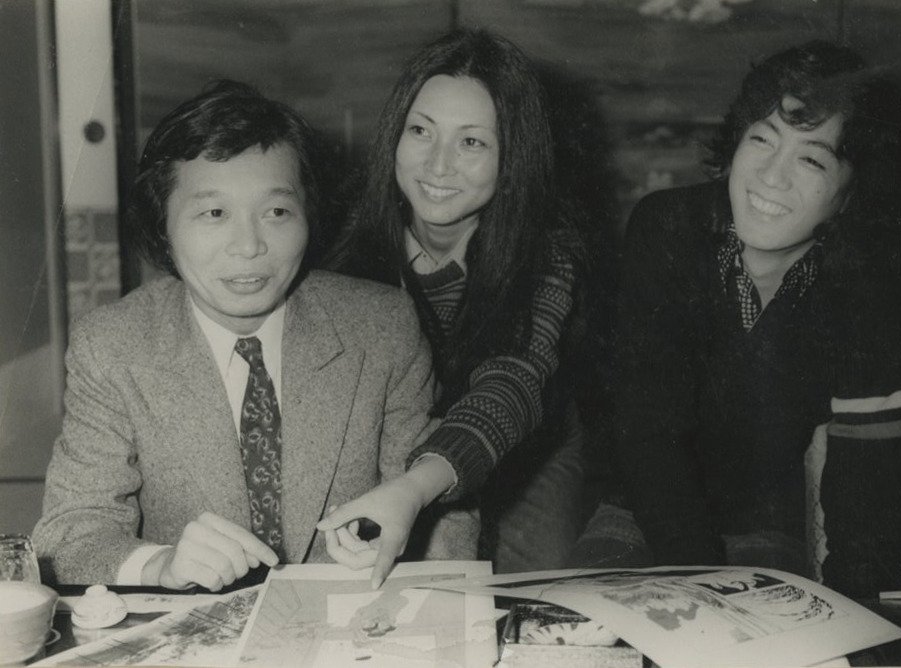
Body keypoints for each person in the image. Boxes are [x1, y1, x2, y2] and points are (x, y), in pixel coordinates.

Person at [32, 80, 440, 591]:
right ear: (164, 226)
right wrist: (161, 565)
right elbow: (69, 535)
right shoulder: (112, 345)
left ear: (309, 218)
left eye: (276, 212)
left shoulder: (382, 327)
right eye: (214, 213)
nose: (249, 247)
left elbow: (441, 513)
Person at [570, 41, 901, 598]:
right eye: (761, 138)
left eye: (811, 158)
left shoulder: (871, 289)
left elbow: (867, 505)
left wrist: (853, 627)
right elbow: (647, 435)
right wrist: (705, 590)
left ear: (850, 193)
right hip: (637, 502)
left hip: (759, 518)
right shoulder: (669, 230)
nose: (771, 177)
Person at [318, 29, 589, 586]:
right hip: (396, 441)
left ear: (512, 156)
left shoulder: (546, 250)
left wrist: (417, 486)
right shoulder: (341, 236)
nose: (438, 165)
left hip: (526, 449)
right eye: (421, 131)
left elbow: (512, 382)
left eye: (472, 142)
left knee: (534, 592)